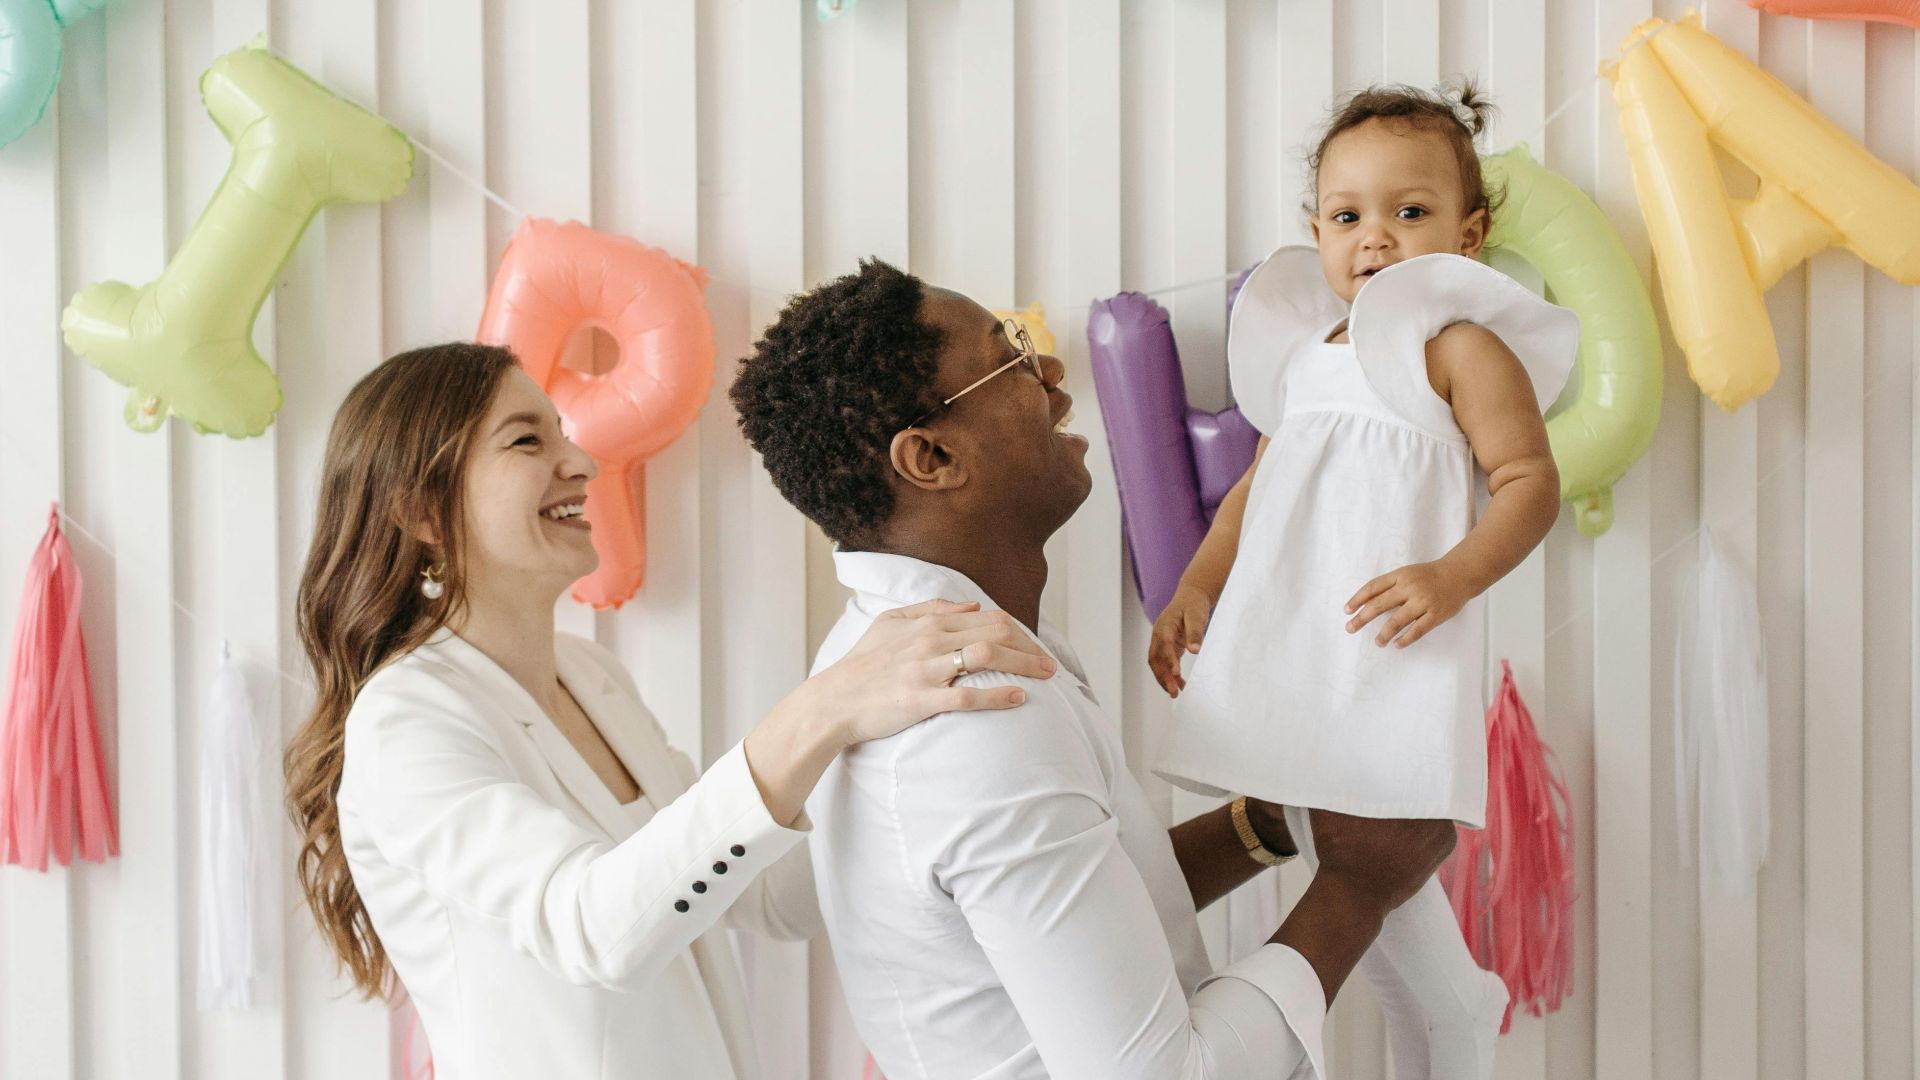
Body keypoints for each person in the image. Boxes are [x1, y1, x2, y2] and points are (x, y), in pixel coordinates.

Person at [730, 261, 1456, 1079]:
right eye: (1011, 354)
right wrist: (1359, 885)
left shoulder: (918, 646)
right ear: (931, 455)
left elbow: (1083, 907)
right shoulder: (976, 720)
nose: (1053, 374)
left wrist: (1277, 823)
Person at [284, 342, 1057, 1080]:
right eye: (526, 441)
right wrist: (824, 711)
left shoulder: (592, 677)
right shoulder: (403, 721)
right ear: (420, 511)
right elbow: (594, 931)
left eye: (564, 433)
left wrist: (897, 741)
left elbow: (769, 898)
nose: (580, 463)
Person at [1150, 83, 1578, 1079]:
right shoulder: (1307, 355)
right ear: (1314, 231)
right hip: (1300, 635)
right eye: (1348, 217)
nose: (1376, 237)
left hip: (1391, 639)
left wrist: (1452, 574)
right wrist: (1199, 587)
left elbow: (1527, 483)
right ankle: (1456, 1008)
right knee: (1338, 829)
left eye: (1410, 212)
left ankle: (1448, 1020)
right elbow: (1255, 492)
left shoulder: (1460, 347)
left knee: (1368, 832)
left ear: (1468, 237)